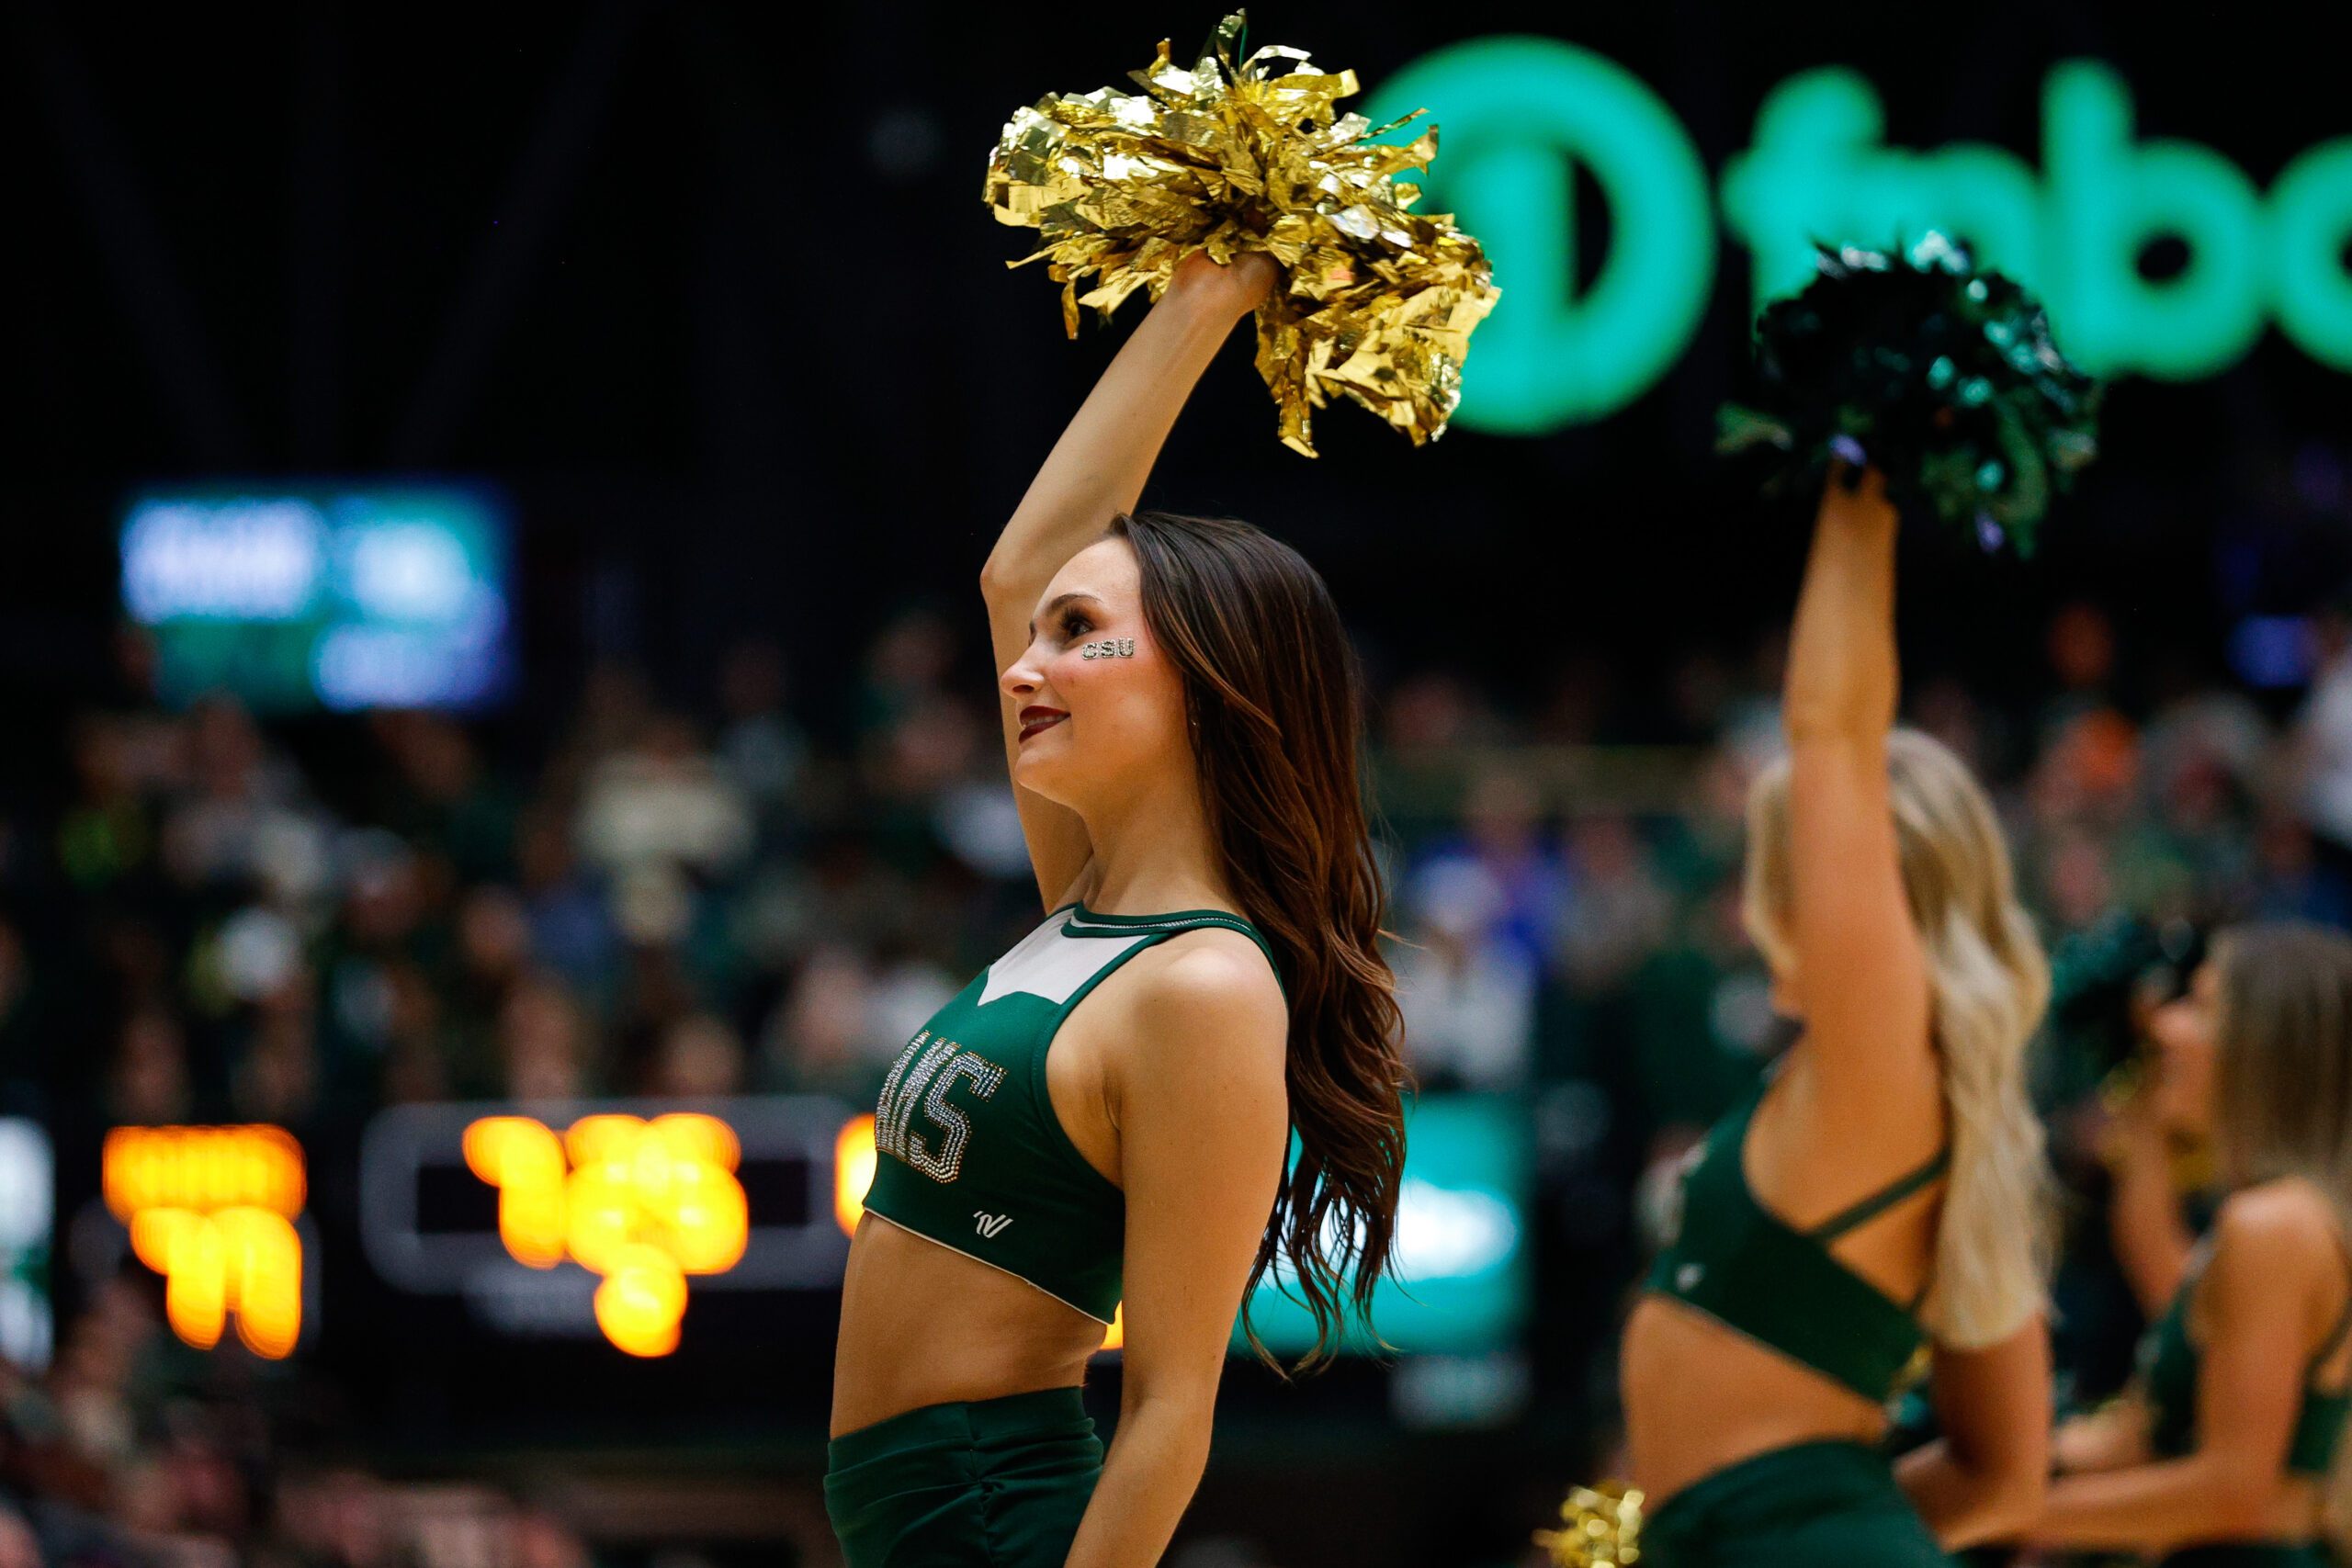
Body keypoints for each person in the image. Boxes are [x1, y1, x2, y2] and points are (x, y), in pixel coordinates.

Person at [824, 250, 1408, 1567]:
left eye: (1077, 632)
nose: (1024, 666)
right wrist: (1212, 292)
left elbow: (1171, 1411)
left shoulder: (1204, 984)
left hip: (1002, 1524)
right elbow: (1017, 562)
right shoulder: (1088, 905)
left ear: (1203, 679)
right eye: (1040, 636)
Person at [1616, 468, 2054, 1564]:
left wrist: (1865, 480)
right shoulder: (1872, 1082)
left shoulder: (1882, 1066)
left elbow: (1830, 733)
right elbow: (2002, 1474)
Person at [2034, 922, 2352, 1567]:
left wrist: (2014, 1512)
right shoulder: (2273, 1216)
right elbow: (2148, 1435)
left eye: (2202, 1009)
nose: (2167, 1026)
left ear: (2267, 1049)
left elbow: (2235, 1491)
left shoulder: (2275, 1226)